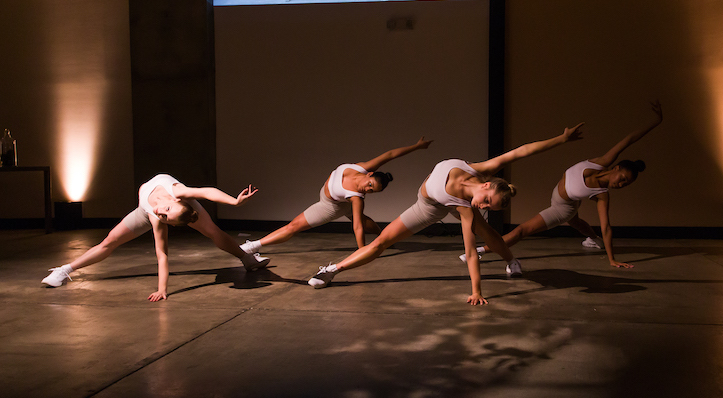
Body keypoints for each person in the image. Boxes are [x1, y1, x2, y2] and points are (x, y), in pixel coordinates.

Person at [307, 124, 584, 305]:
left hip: (450, 204)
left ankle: (511, 260)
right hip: (427, 207)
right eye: (487, 201)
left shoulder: (467, 207)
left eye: (490, 208)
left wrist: (476, 291)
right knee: (380, 243)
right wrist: (562, 138)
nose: (485, 207)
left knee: (486, 233)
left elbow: (471, 252)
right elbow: (521, 152)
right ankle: (332, 271)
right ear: (486, 184)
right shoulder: (481, 169)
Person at [470, 102, 663, 270]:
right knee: (577, 223)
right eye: (622, 178)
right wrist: (656, 122)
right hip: (566, 201)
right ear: (616, 167)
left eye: (625, 184)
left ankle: (483, 250)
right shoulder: (601, 162)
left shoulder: (602, 194)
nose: (621, 184)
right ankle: (593, 240)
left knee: (523, 230)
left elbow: (607, 227)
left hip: (562, 208)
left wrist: (612, 259)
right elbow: (628, 140)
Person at [40, 174, 265, 301]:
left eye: (166, 218)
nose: (162, 212)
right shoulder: (178, 193)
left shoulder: (159, 219)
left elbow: (162, 255)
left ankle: (245, 258)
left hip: (151, 212)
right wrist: (234, 201)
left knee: (213, 232)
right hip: (144, 209)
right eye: (166, 210)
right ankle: (64, 270)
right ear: (176, 201)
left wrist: (162, 289)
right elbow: (206, 191)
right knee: (109, 241)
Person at [239, 137, 433, 255]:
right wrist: (416, 147)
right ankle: (383, 238)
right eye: (370, 185)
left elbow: (356, 225)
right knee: (366, 222)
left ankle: (254, 245)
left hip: (331, 206)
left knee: (293, 226)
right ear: (369, 174)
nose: (368, 190)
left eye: (372, 192)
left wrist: (361, 251)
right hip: (334, 198)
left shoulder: (356, 197)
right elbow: (390, 154)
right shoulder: (362, 167)